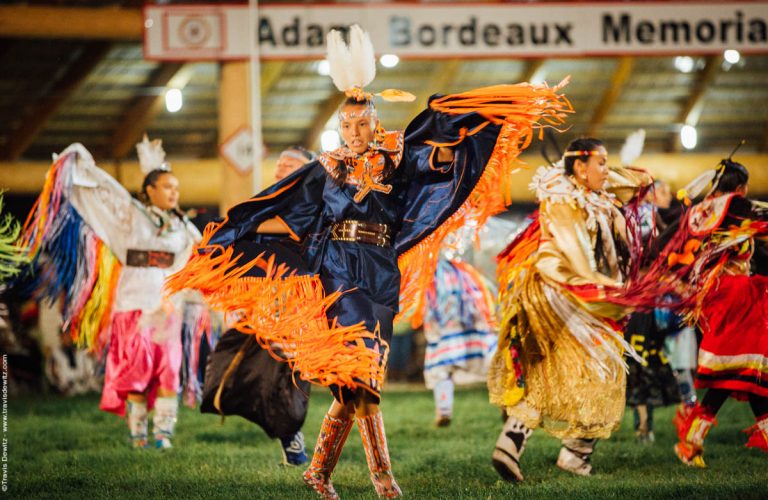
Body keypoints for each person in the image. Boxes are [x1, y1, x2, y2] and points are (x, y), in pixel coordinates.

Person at [167, 25, 571, 499]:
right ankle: (384, 479)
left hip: (381, 269)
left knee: (354, 388)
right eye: (346, 126)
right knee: (363, 379)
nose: (354, 132)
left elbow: (435, 168)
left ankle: (318, 473)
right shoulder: (326, 167)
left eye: (362, 124)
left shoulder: (395, 153)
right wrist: (227, 235)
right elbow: (276, 201)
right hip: (338, 271)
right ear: (338, 127)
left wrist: (452, 131)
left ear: (374, 121)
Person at [20, 136, 204, 449]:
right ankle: (138, 436)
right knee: (136, 374)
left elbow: (199, 260)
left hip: (167, 308)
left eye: (176, 187)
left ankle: (163, 436)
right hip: (132, 305)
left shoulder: (184, 229)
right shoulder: (129, 215)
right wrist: (76, 161)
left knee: (169, 372)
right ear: (149, 190)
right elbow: (102, 190)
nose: (174, 192)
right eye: (167, 187)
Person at [489, 138, 652, 480]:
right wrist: (605, 289)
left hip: (576, 296)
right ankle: (567, 453)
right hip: (562, 295)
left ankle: (521, 446)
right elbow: (575, 254)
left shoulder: (595, 196)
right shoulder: (563, 199)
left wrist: (622, 173)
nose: (608, 171)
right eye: (602, 163)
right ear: (580, 167)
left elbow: (634, 179)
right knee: (588, 371)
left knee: (567, 370)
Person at [200, 145, 316, 466]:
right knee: (259, 367)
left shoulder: (319, 206)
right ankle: (286, 434)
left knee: (292, 370)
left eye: (290, 165)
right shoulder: (261, 205)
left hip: (302, 301)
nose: (280, 169)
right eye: (279, 164)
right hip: (262, 300)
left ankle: (293, 435)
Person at [664, 158, 768, 467]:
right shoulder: (736, 206)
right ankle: (691, 442)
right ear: (740, 188)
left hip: (718, 297)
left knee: (743, 374)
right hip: (736, 296)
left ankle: (692, 441)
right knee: (749, 368)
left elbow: (667, 241)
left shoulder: (704, 212)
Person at [423, 253, 497, 427]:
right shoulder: (468, 275)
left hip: (447, 325)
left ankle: (444, 410)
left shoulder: (435, 276)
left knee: (441, 366)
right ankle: (505, 403)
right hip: (470, 323)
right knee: (491, 363)